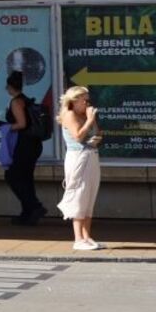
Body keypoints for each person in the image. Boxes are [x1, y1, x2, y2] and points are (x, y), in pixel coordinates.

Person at [57, 85, 104, 250]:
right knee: (79, 195)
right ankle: (78, 239)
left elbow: (98, 134)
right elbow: (77, 137)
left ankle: (87, 236)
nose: (87, 102)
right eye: (84, 99)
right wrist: (89, 120)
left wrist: (93, 123)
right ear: (74, 100)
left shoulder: (85, 114)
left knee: (90, 195)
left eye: (88, 99)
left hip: (91, 155)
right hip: (78, 158)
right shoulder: (69, 114)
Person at [0, 71, 47, 226]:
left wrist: (5, 127)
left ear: (10, 86)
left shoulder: (16, 102)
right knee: (25, 178)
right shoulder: (26, 100)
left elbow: (22, 124)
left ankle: (34, 206)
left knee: (12, 176)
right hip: (32, 144)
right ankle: (27, 213)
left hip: (24, 143)